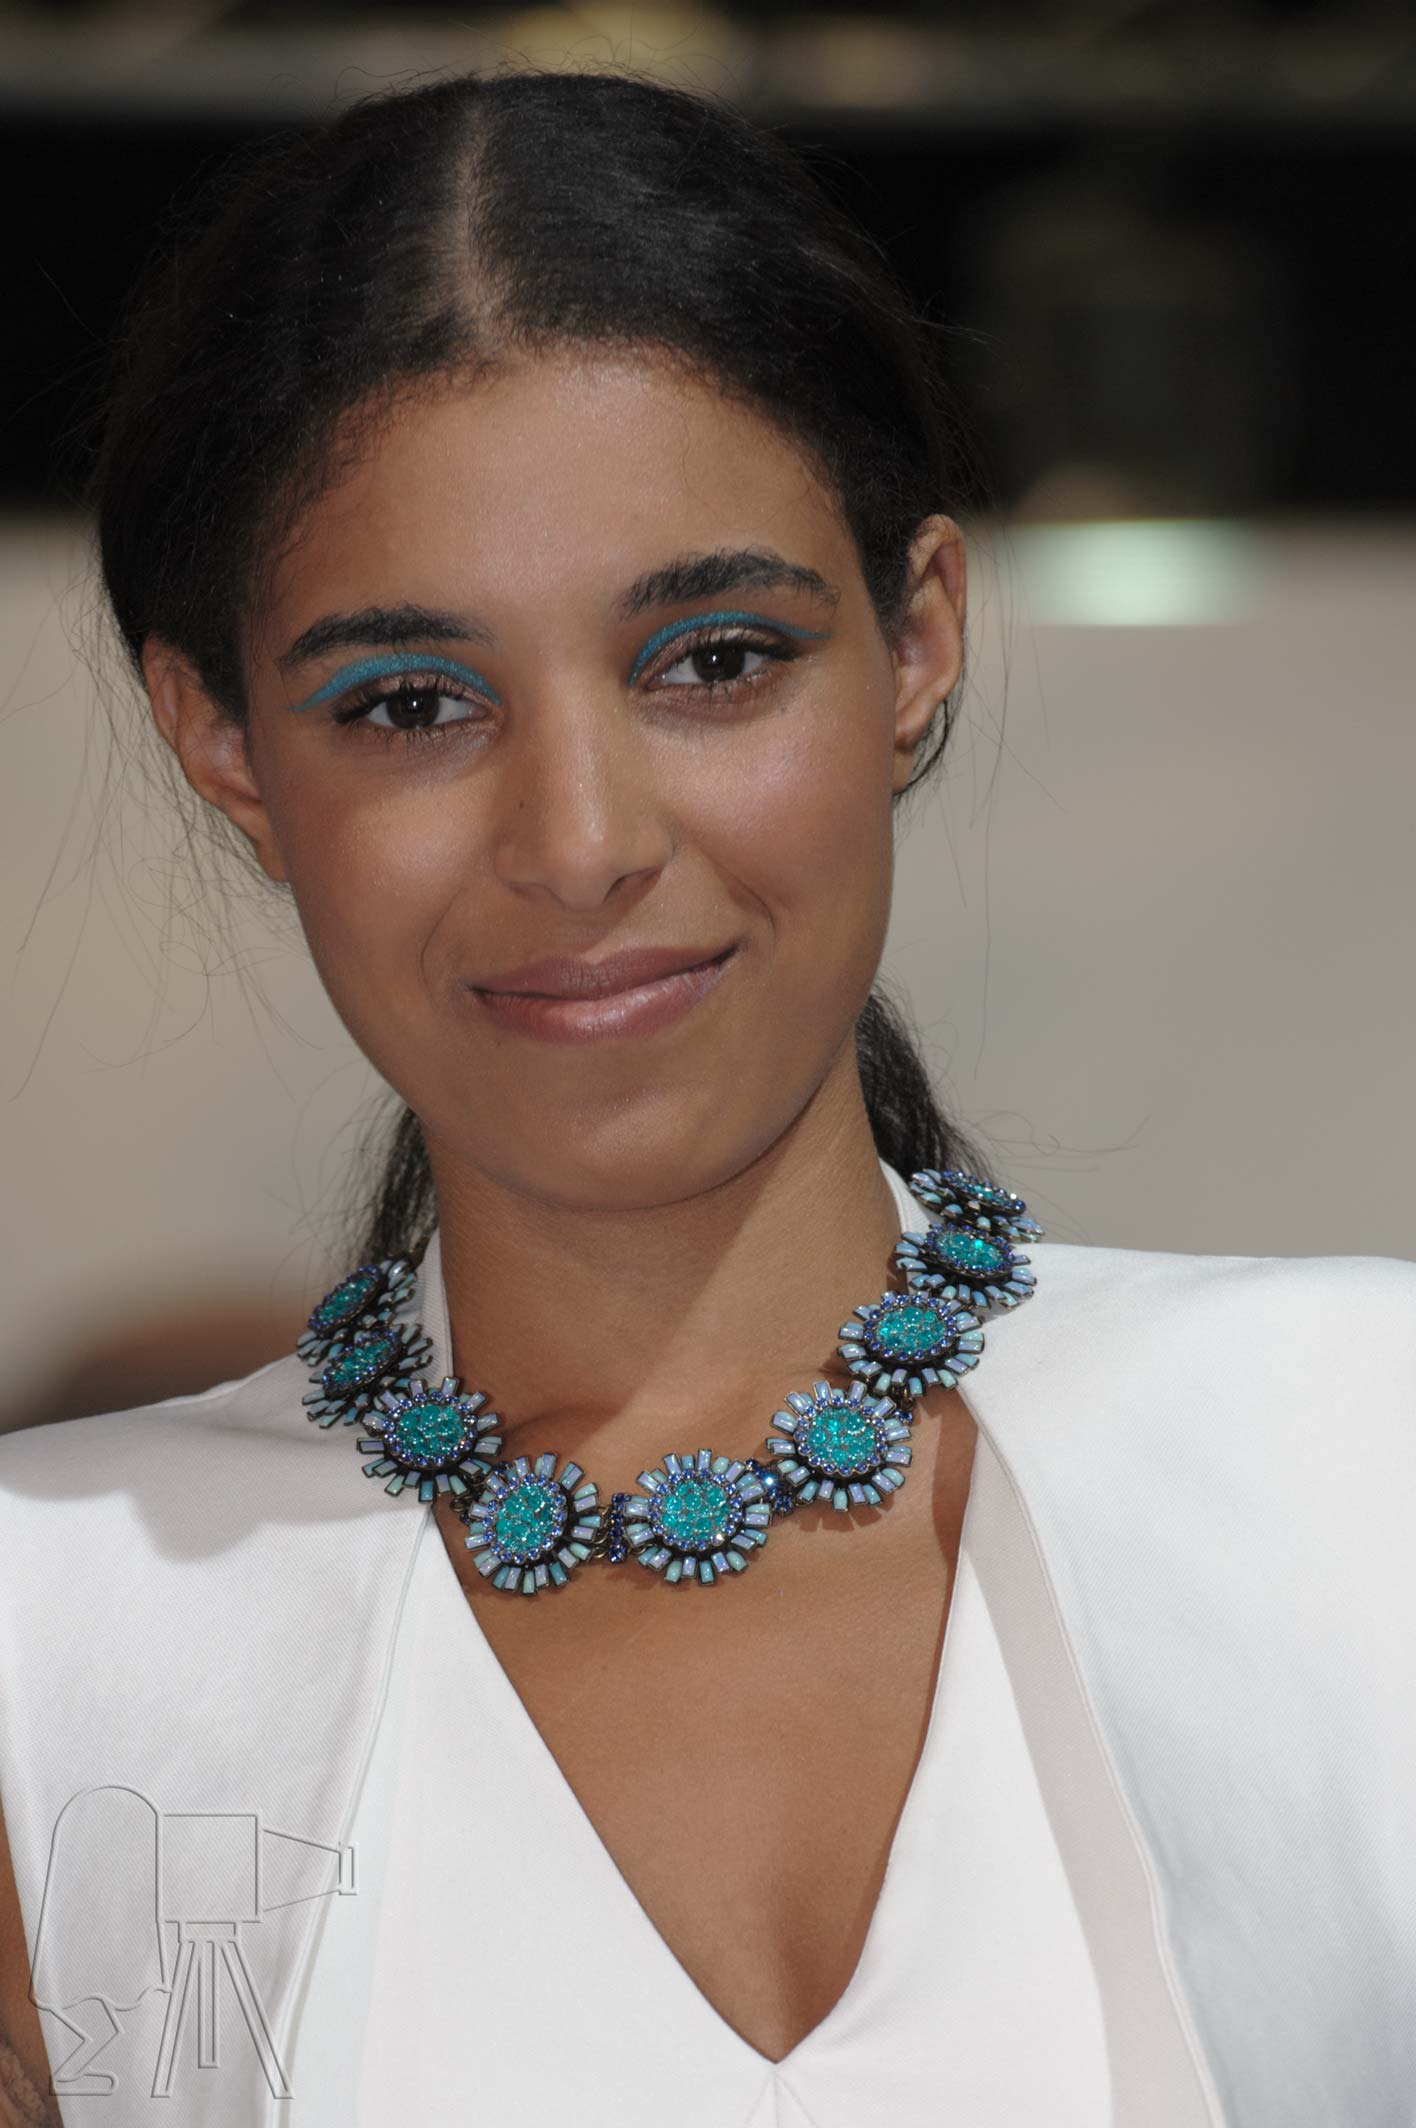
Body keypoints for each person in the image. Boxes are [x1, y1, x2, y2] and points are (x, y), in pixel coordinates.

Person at [1, 68, 1412, 2128]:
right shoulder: (57, 1647)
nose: (581, 840)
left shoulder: (1360, 1458)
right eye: (411, 701)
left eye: (714, 659)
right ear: (221, 741)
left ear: (917, 639)